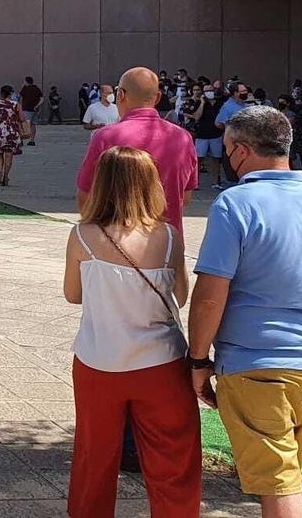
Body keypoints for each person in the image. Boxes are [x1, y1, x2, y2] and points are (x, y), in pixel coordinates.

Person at [187, 107, 302, 517]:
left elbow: (210, 296)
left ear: (239, 150)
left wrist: (198, 360)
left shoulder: (234, 203)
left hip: (256, 362)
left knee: (280, 487)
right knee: (286, 474)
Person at [64, 146, 199, 517]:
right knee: (173, 459)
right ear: (150, 184)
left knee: (95, 458)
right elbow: (182, 295)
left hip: (99, 360)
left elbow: (72, 295)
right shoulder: (169, 236)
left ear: (102, 185)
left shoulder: (82, 236)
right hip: (161, 362)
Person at [76, 67, 198, 242]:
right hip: (167, 245)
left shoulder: (105, 137)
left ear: (121, 95)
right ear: (157, 98)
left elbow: (85, 198)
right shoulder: (183, 138)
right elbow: (184, 198)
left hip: (117, 244)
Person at [213, 82, 254, 190]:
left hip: (248, 141)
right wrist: (231, 130)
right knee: (233, 173)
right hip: (234, 143)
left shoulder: (246, 104)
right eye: (242, 92)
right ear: (235, 93)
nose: (245, 93)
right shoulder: (228, 106)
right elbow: (218, 123)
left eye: (246, 91)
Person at [191, 81, 225, 183]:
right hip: (202, 135)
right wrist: (202, 103)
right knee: (199, 159)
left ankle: (215, 181)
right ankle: (195, 182)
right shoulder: (199, 103)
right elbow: (197, 117)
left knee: (216, 159)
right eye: (206, 91)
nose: (209, 92)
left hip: (216, 135)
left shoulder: (220, 103)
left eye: (211, 90)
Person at [0, 85, 24, 185]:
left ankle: (0, 173)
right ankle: (6, 176)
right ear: (11, 93)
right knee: (9, 155)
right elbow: (22, 118)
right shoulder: (16, 104)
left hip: (1, 131)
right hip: (12, 132)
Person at [18, 76, 44, 145]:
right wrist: (37, 106)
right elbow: (42, 99)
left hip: (27, 109)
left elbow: (19, 96)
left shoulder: (25, 88)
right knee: (33, 125)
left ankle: (21, 141)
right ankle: (32, 140)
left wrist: (22, 86)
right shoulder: (37, 88)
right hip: (35, 110)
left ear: (26, 81)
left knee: (24, 124)